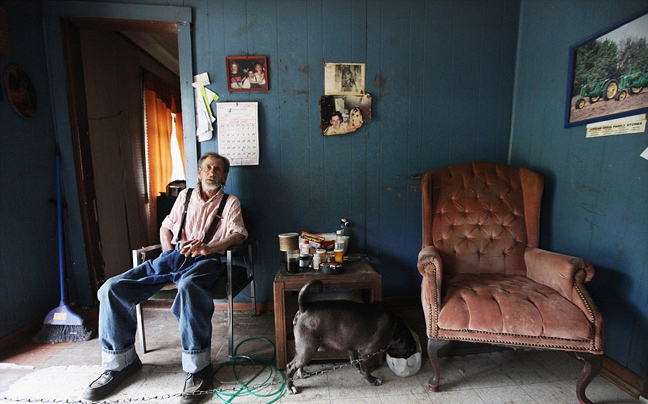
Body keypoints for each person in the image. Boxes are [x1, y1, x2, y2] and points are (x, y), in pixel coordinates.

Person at [83, 152, 247, 404]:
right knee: (111, 288)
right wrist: (168, 252)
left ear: (224, 175)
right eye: (207, 167)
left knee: (190, 288)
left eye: (218, 169)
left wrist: (209, 248)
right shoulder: (184, 196)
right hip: (173, 256)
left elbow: (238, 234)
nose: (212, 172)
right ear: (199, 172)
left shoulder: (230, 202)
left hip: (206, 260)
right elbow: (166, 227)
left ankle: (198, 368)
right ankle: (121, 363)